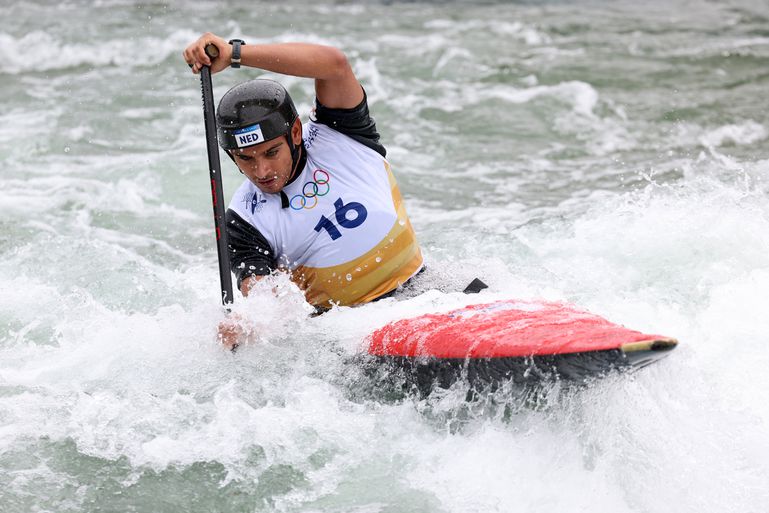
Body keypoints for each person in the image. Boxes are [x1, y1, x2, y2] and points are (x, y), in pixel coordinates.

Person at [183, 34, 424, 348]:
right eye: (245, 159)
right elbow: (268, 300)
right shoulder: (243, 222)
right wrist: (249, 323)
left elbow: (334, 64)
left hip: (427, 291)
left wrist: (235, 54)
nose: (262, 172)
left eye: (271, 153)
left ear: (295, 132)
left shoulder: (343, 133)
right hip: (357, 334)